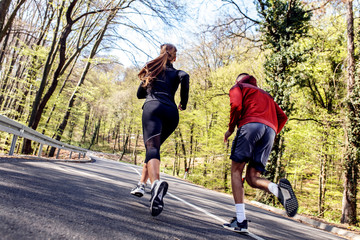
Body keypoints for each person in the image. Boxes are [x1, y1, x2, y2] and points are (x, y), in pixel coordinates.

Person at [223, 73, 298, 233]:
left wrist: (230, 129)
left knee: (236, 171)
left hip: (250, 126)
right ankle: (278, 190)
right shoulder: (266, 95)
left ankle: (241, 221)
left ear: (238, 80)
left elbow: (236, 106)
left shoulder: (239, 87)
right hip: (270, 131)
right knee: (252, 177)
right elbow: (282, 117)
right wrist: (272, 133)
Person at [130, 43, 189, 217]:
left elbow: (140, 95)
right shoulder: (178, 73)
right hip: (172, 113)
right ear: (175, 57)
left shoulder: (151, 68)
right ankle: (141, 184)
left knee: (152, 148)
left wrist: (149, 85)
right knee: (153, 150)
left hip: (153, 108)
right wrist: (183, 104)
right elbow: (185, 77)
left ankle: (155, 184)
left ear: (161, 54)